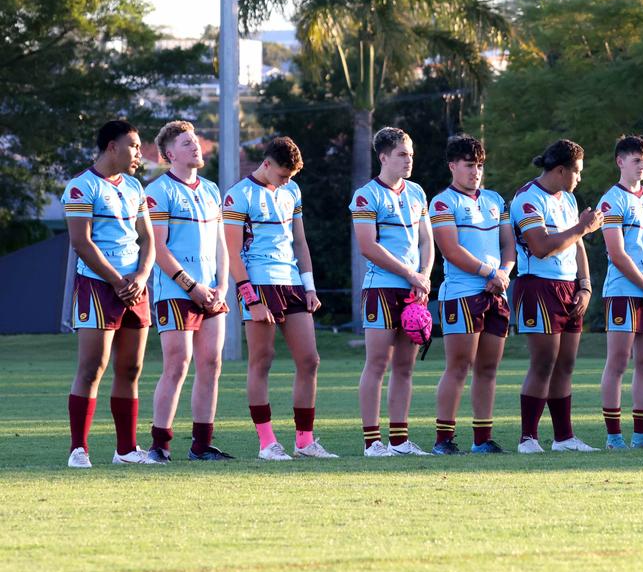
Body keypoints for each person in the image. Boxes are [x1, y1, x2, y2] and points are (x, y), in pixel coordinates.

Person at [223, 136, 336, 460]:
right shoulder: (238, 195)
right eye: (283, 175)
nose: (286, 182)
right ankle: (267, 443)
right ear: (267, 164)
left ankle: (304, 441)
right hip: (258, 282)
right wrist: (250, 297)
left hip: (292, 283)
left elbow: (299, 242)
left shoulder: (292, 191)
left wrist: (309, 286)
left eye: (291, 177)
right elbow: (232, 252)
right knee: (263, 360)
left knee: (309, 360)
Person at [64, 120, 156, 467]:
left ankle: (127, 451)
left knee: (130, 368)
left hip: (135, 286)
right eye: (133, 145)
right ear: (112, 147)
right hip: (98, 286)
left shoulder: (134, 187)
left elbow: (147, 239)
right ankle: (78, 449)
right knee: (92, 367)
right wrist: (118, 280)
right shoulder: (80, 187)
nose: (139, 152)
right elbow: (81, 242)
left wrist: (141, 275)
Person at [145, 121, 232, 463]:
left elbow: (222, 243)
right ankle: (159, 447)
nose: (196, 146)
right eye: (186, 143)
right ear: (169, 154)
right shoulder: (158, 191)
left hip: (212, 291)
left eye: (195, 141)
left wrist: (222, 284)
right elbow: (158, 248)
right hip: (176, 291)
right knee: (177, 365)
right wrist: (190, 285)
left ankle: (201, 445)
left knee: (211, 363)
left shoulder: (211, 190)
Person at [512, 139, 602, 453]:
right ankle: (528, 438)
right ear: (561, 170)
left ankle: (564, 438)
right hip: (538, 286)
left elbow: (576, 245)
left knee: (566, 364)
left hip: (568, 288)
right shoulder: (527, 199)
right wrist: (582, 228)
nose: (579, 178)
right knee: (544, 362)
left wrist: (586, 285)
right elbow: (540, 247)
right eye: (576, 172)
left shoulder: (567, 200)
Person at [351, 127, 435, 456]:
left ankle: (399, 441)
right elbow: (367, 246)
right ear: (384, 157)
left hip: (414, 290)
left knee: (405, 367)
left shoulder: (416, 192)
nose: (408, 160)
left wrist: (424, 278)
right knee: (377, 364)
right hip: (382, 288)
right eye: (402, 154)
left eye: (410, 154)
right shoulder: (366, 195)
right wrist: (410, 274)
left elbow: (426, 241)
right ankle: (373, 442)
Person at [431, 134, 515, 454]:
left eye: (479, 166)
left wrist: (503, 273)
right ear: (453, 166)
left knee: (488, 369)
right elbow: (451, 250)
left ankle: (482, 439)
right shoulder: (442, 202)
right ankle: (444, 440)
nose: (475, 172)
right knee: (459, 366)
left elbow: (509, 245)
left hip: (497, 292)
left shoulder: (495, 199)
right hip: (462, 293)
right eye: (469, 165)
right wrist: (489, 273)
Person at [598, 135, 643, 450]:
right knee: (618, 362)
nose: (642, 166)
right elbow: (616, 253)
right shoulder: (611, 200)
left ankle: (642, 435)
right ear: (620, 162)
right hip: (624, 291)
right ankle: (614, 436)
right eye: (636, 160)